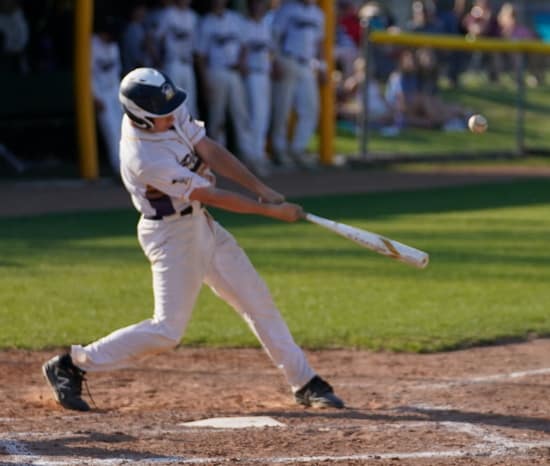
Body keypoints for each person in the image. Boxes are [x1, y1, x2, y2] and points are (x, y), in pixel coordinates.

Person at [41, 67, 344, 413]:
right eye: (162, 114)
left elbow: (209, 149)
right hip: (171, 237)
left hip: (199, 223)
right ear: (140, 118)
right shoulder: (144, 158)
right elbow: (210, 194)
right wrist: (270, 212)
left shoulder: (166, 110)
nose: (172, 116)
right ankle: (72, 365)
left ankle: (304, 381)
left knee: (257, 299)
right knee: (167, 330)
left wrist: (261, 188)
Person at [195, 0, 254, 164]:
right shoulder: (206, 22)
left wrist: (242, 62)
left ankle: (247, 152)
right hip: (216, 71)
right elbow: (200, 56)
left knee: (240, 113)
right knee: (217, 116)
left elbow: (244, 45)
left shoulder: (235, 19)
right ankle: (218, 157)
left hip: (234, 72)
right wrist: (204, 81)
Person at [270, 0, 326, 169]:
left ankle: (298, 149)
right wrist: (275, 60)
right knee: (282, 109)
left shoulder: (318, 13)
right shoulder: (287, 9)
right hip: (288, 59)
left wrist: (322, 67)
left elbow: (320, 43)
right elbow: (274, 36)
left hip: (307, 64)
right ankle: (279, 149)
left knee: (311, 109)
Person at [242, 0, 275, 177]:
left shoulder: (266, 24)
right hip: (251, 75)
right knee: (254, 115)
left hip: (264, 74)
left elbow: (270, 51)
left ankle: (259, 153)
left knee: (263, 116)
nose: (259, 7)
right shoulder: (244, 25)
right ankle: (252, 155)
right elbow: (242, 51)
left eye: (262, 4)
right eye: (256, 4)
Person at [156, 0, 199, 117]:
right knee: (171, 100)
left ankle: (189, 129)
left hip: (188, 64)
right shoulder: (168, 14)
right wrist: (157, 59)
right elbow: (155, 37)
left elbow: (196, 46)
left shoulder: (193, 16)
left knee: (190, 103)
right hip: (172, 63)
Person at [92, 17, 123, 175]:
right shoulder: (91, 45)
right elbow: (87, 75)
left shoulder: (113, 45)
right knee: (111, 131)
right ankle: (118, 168)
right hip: (101, 93)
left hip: (114, 90)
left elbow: (116, 71)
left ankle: (129, 167)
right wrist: (94, 96)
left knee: (123, 128)